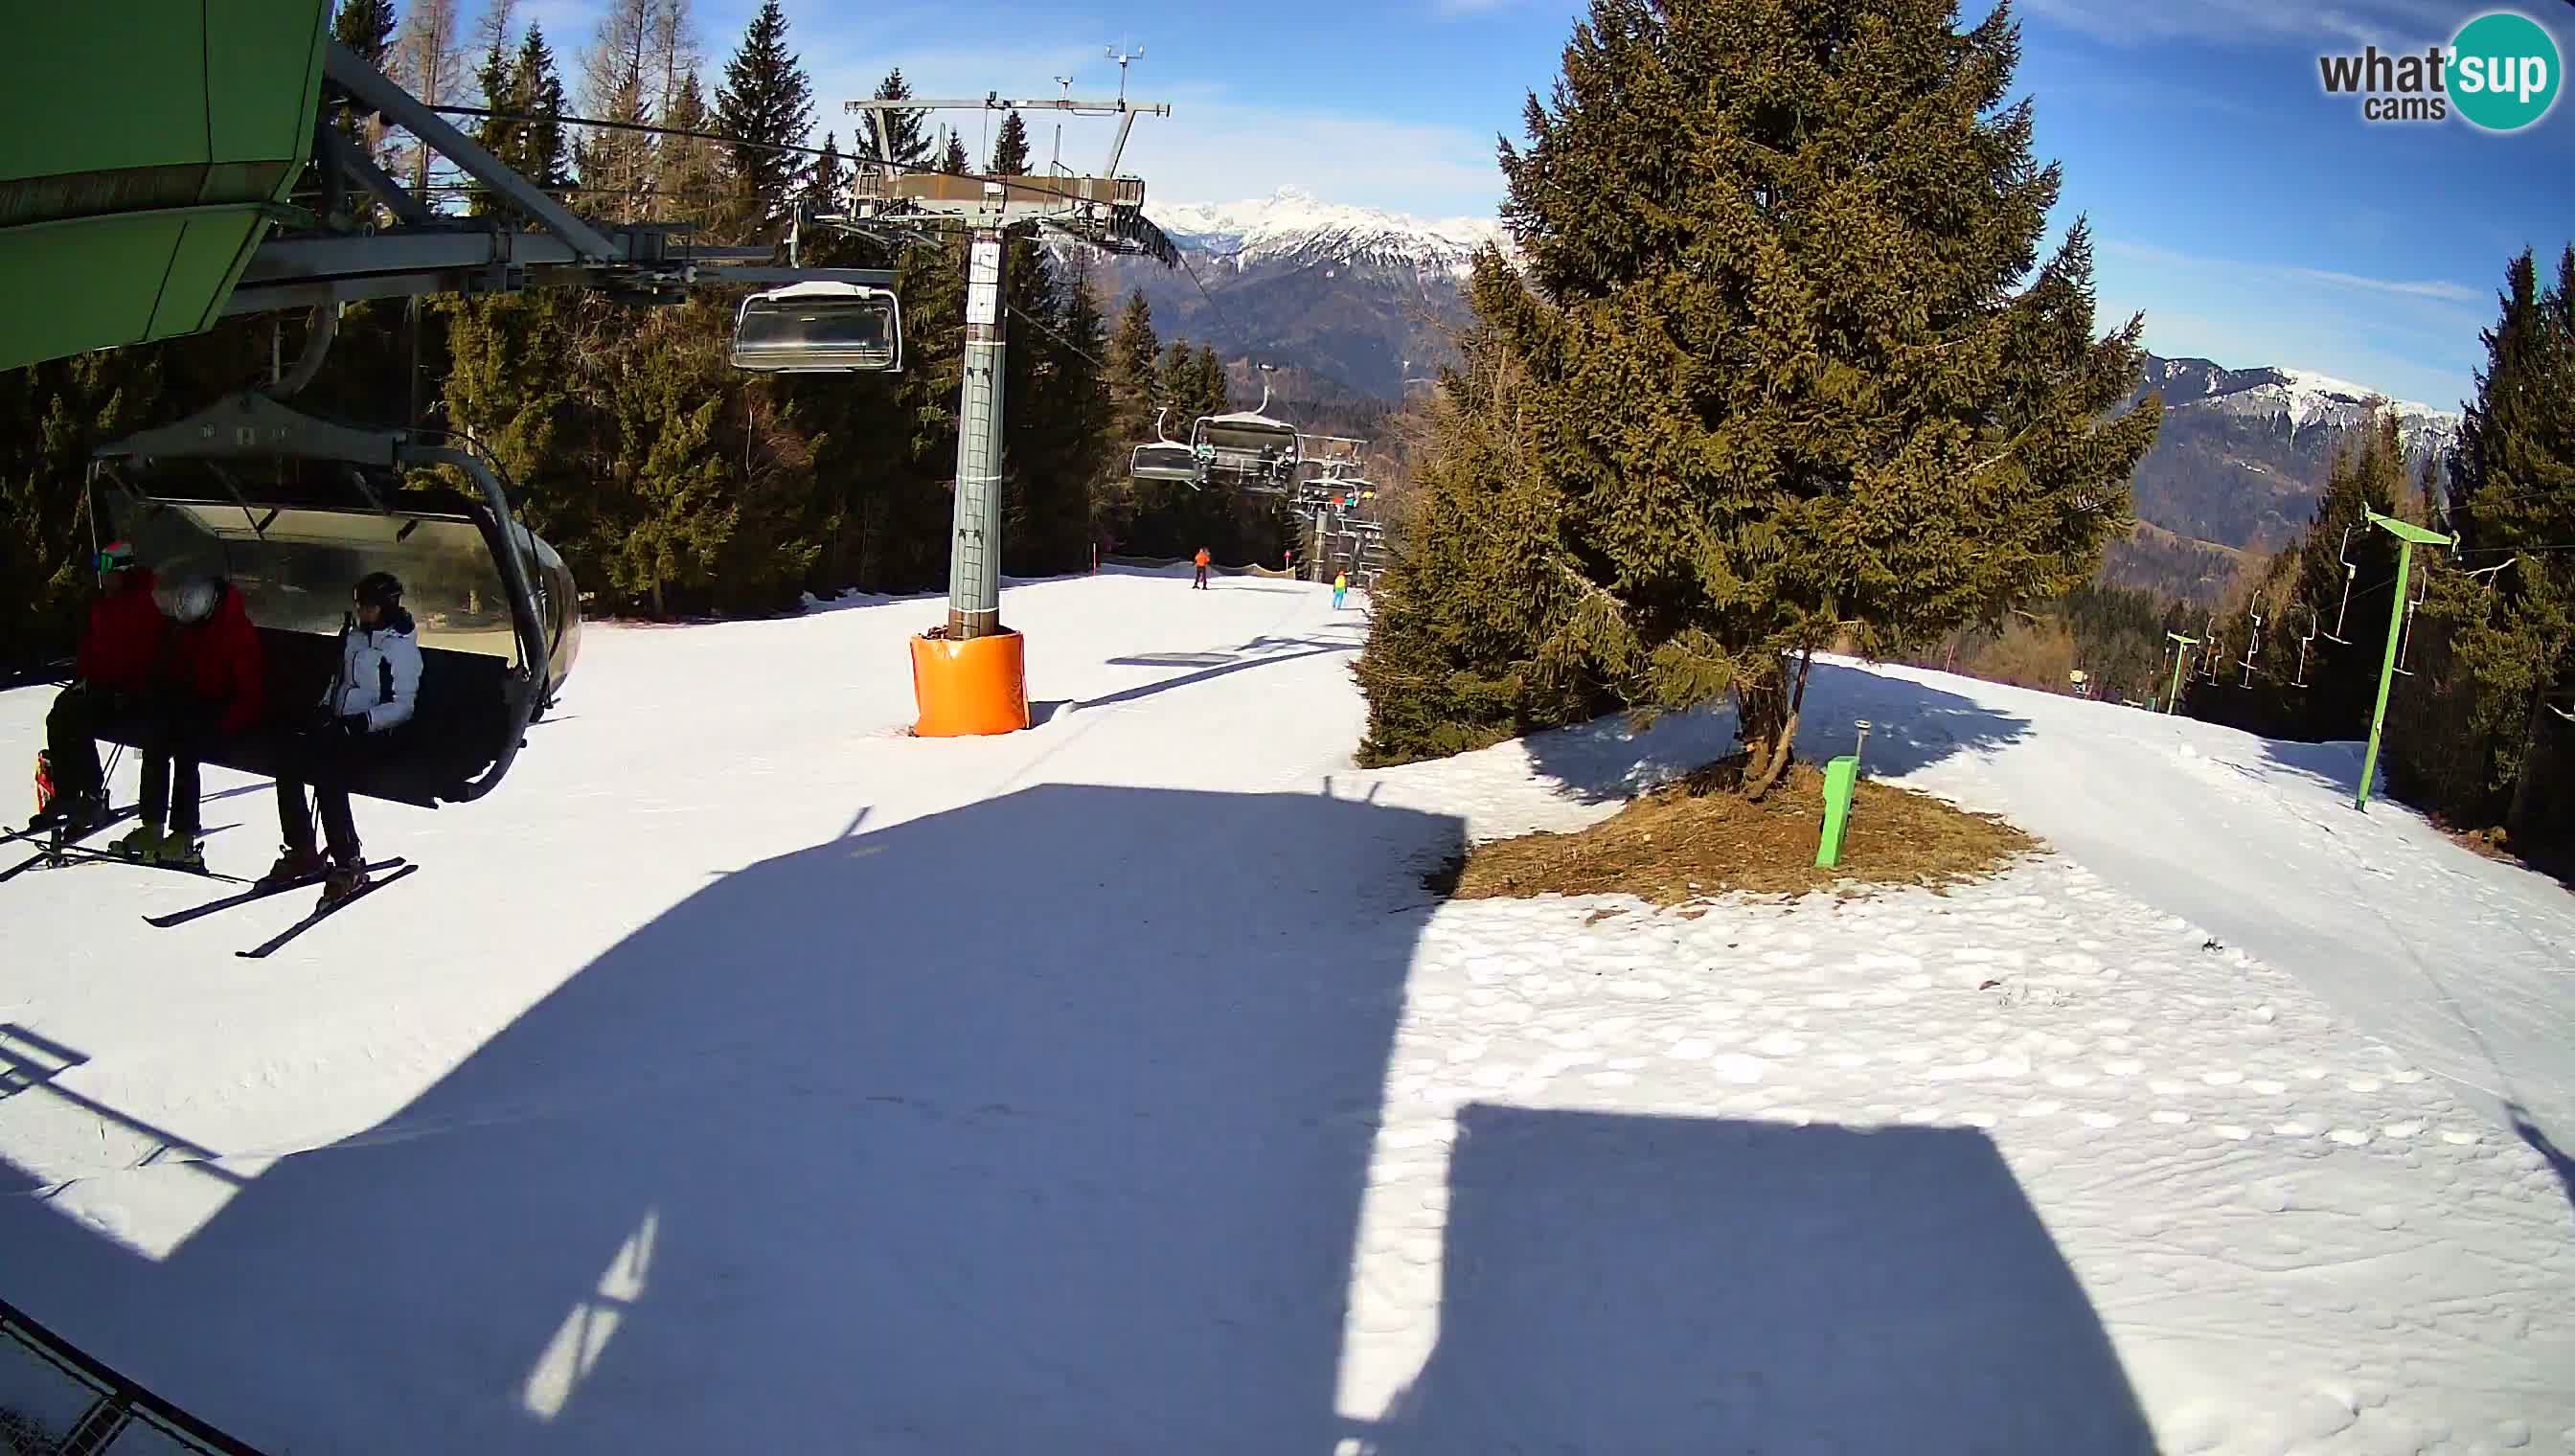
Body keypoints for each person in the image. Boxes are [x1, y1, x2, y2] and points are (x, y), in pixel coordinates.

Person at [262, 570, 422, 902]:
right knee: (288, 758)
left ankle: (348, 860)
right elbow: (339, 681)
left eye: (369, 607)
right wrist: (323, 708)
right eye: (360, 606)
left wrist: (362, 722)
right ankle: (302, 848)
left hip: (377, 735)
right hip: (340, 726)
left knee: (329, 771)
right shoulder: (355, 636)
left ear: (387, 607)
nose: (363, 613)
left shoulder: (400, 648)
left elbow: (403, 705)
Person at [110, 575, 264, 871]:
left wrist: (227, 722)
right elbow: (176, 669)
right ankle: (152, 824)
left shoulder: (236, 633)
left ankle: (183, 833)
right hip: (190, 704)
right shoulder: (193, 628)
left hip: (221, 711)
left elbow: (249, 692)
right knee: (156, 742)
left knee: (186, 751)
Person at [27, 542, 165, 834]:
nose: (102, 576)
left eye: (106, 569)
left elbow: (143, 655)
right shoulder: (105, 603)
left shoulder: (140, 604)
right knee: (60, 715)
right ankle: (67, 793)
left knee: (78, 719)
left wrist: (117, 686)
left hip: (129, 693)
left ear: (123, 571)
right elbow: (92, 648)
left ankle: (92, 795)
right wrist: (84, 679)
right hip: (102, 686)